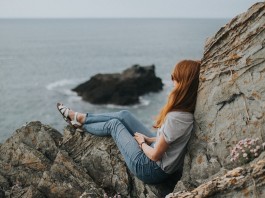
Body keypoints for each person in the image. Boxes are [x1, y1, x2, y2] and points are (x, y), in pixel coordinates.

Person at [57, 60, 200, 184]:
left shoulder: (176, 117)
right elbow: (172, 138)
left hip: (149, 168)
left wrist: (142, 143)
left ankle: (82, 124)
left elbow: (155, 155)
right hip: (157, 156)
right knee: (124, 115)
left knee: (114, 124)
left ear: (183, 83)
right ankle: (81, 117)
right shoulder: (186, 112)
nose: (171, 80)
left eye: (174, 77)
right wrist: (149, 138)